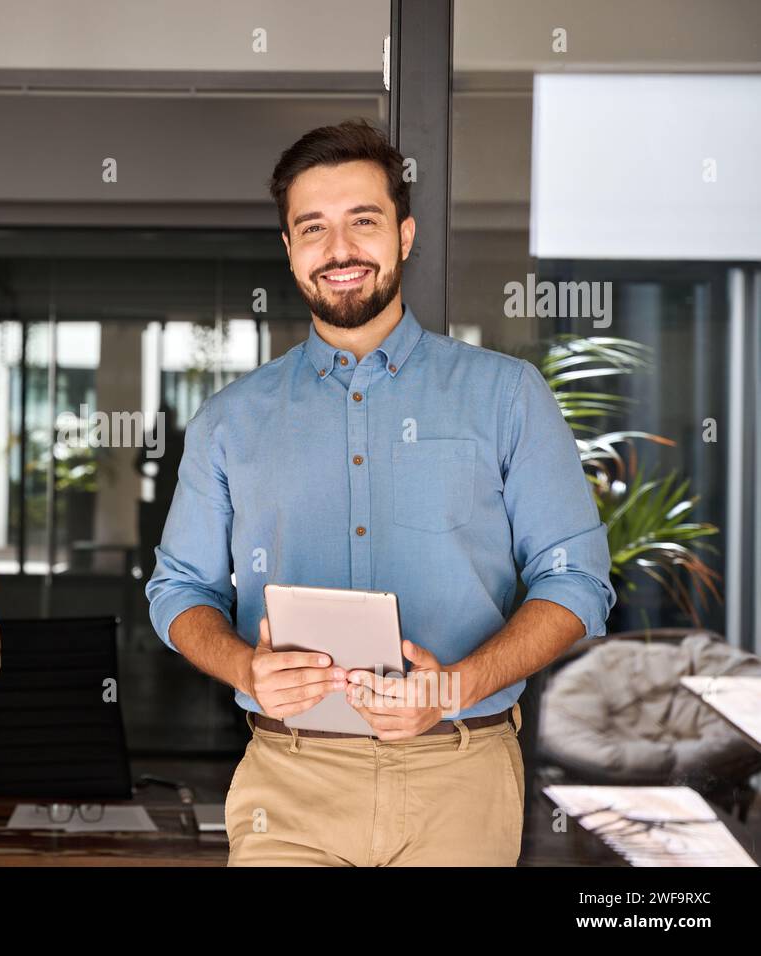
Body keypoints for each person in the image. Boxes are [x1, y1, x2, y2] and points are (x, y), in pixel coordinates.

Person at [145, 119, 616, 866]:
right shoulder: (229, 421)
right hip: (288, 780)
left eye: (362, 221)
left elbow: (578, 580)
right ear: (291, 251)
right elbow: (177, 590)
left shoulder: (506, 396)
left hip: (460, 778)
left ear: (403, 234)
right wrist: (243, 668)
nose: (339, 250)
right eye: (313, 228)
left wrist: (457, 685)